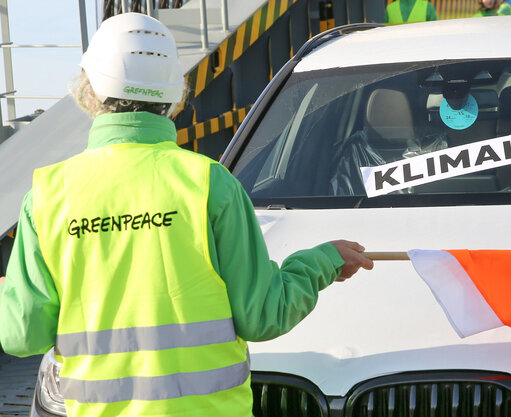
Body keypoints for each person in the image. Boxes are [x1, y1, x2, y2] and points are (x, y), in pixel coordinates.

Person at [0, 12, 373, 417]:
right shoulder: (209, 184)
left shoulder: (48, 195)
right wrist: (322, 261)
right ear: (175, 94)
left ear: (87, 88)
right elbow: (265, 315)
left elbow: (22, 335)